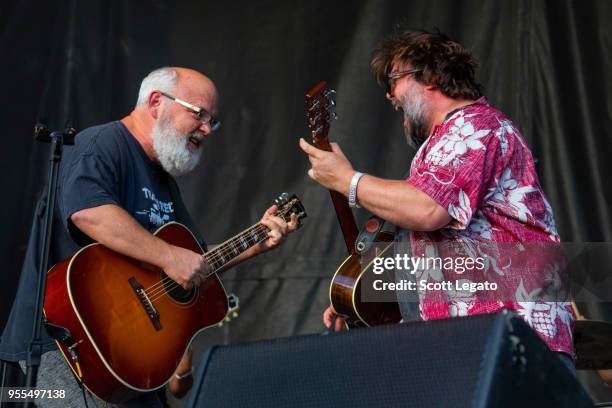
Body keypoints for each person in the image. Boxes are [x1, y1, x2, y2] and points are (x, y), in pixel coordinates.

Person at [0, 66, 297, 407]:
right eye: (200, 115)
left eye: (213, 122)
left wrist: (252, 245)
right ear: (157, 102)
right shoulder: (101, 145)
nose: (207, 129)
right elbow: (88, 212)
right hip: (65, 348)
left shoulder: (162, 180)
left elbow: (191, 264)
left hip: (129, 357)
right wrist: (169, 256)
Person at [300, 29, 574, 370]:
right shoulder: (445, 143)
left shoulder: (476, 127)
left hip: (513, 336)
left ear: (429, 77)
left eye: (394, 81)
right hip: (472, 338)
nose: (389, 96)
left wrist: (347, 180)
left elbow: (427, 209)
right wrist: (368, 296)